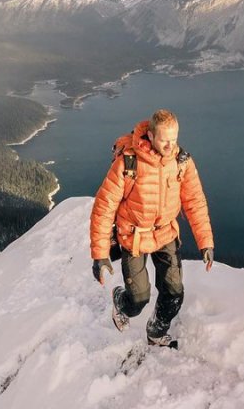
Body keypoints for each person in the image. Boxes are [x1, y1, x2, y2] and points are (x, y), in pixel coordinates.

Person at [89, 108, 214, 347]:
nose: (170, 146)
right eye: (165, 140)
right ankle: (120, 301)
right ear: (152, 136)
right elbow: (103, 207)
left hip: (165, 232)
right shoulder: (129, 163)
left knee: (174, 292)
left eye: (174, 139)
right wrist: (100, 255)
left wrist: (205, 242)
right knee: (138, 299)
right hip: (133, 235)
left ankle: (157, 331)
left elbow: (195, 202)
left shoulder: (181, 163)